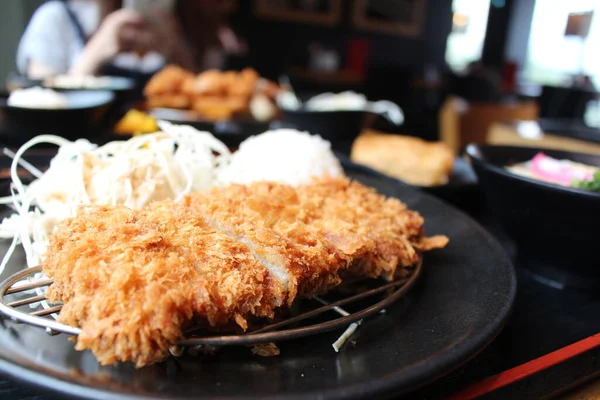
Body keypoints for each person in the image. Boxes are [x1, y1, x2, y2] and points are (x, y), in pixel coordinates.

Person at [16, 0, 196, 81]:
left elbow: (196, 94)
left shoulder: (156, 20)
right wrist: (98, 51)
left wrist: (173, 46)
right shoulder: (55, 18)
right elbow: (43, 105)